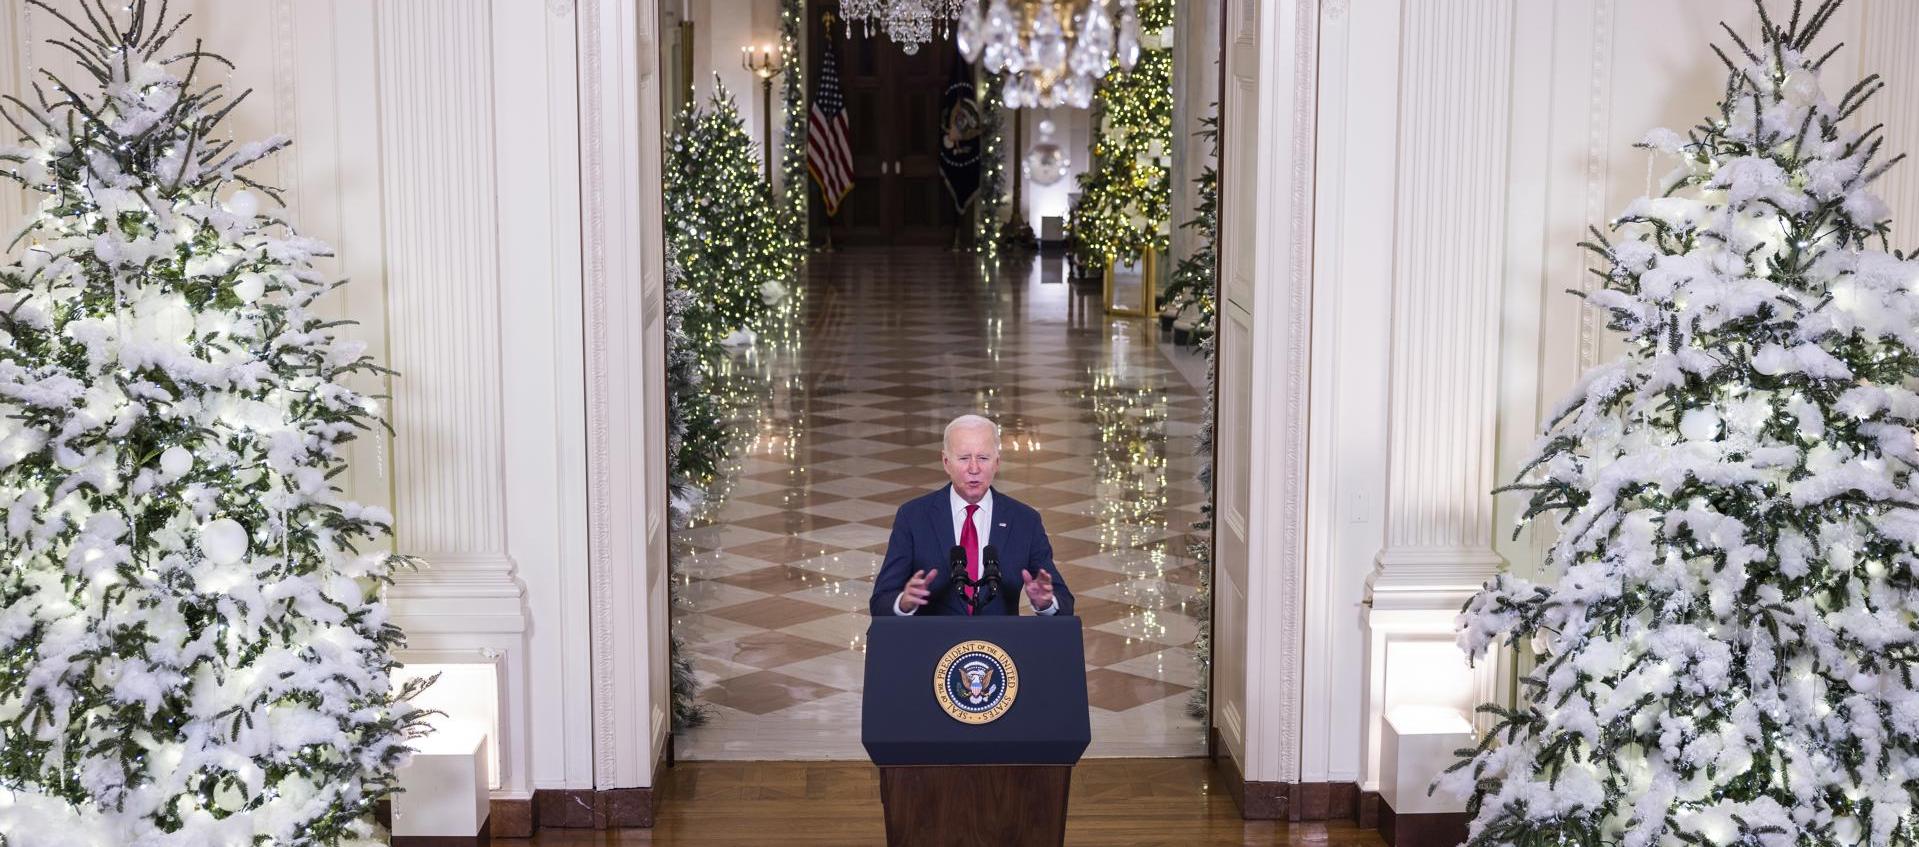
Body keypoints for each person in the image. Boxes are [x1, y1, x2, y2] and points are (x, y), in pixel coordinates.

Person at [868, 414, 1074, 617]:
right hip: (934, 645)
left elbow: (1064, 603)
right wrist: (904, 603)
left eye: (983, 458)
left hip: (999, 646)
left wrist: (1046, 603)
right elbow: (881, 601)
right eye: (964, 458)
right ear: (946, 462)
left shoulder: (1024, 520)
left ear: (997, 463)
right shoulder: (914, 516)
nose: (974, 468)